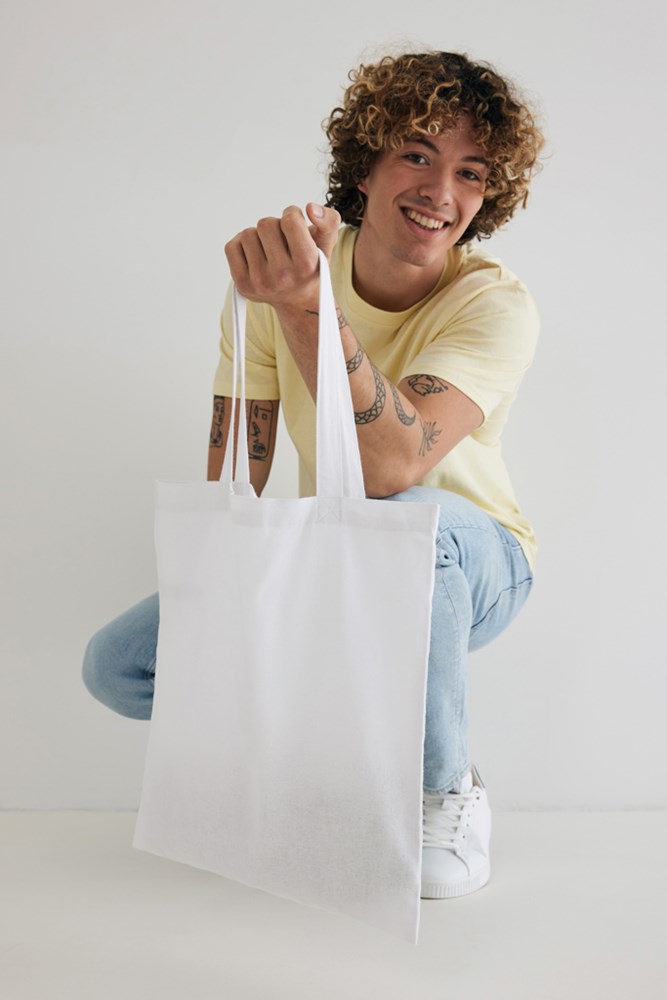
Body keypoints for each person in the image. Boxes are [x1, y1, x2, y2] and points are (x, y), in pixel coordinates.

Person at [83, 50, 545, 901]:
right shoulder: (286, 279)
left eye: (470, 172)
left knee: (413, 519)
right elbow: (235, 474)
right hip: (344, 552)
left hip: (474, 562)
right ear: (363, 165)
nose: (440, 191)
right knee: (121, 665)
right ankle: (333, 756)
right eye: (416, 154)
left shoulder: (492, 304)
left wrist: (308, 311)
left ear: (489, 196)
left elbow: (391, 470)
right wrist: (231, 609)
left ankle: (443, 791)